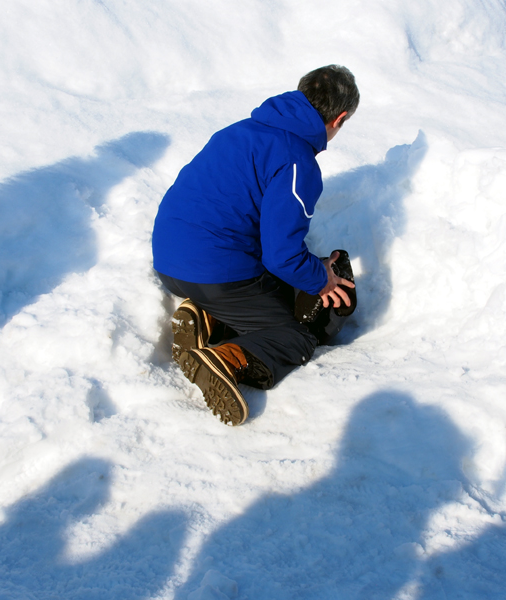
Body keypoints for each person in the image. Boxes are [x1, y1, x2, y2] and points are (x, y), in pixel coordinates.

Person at [152, 65, 359, 426]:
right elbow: (282, 255)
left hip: (169, 260)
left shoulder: (239, 131)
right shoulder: (298, 162)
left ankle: (206, 316)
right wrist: (320, 279)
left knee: (272, 295)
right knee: (294, 335)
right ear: (339, 118)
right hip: (216, 271)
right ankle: (225, 359)